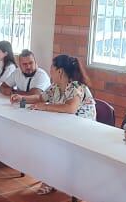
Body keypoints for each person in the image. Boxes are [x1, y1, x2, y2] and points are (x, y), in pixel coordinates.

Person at [10, 55, 95, 194]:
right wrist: (22, 98)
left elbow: (70, 108)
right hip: (64, 126)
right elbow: (40, 97)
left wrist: (45, 107)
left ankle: (52, 179)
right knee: (45, 140)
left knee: (51, 143)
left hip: (82, 130)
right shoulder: (55, 86)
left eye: (52, 68)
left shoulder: (76, 86)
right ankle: (51, 177)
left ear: (60, 71)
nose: (50, 70)